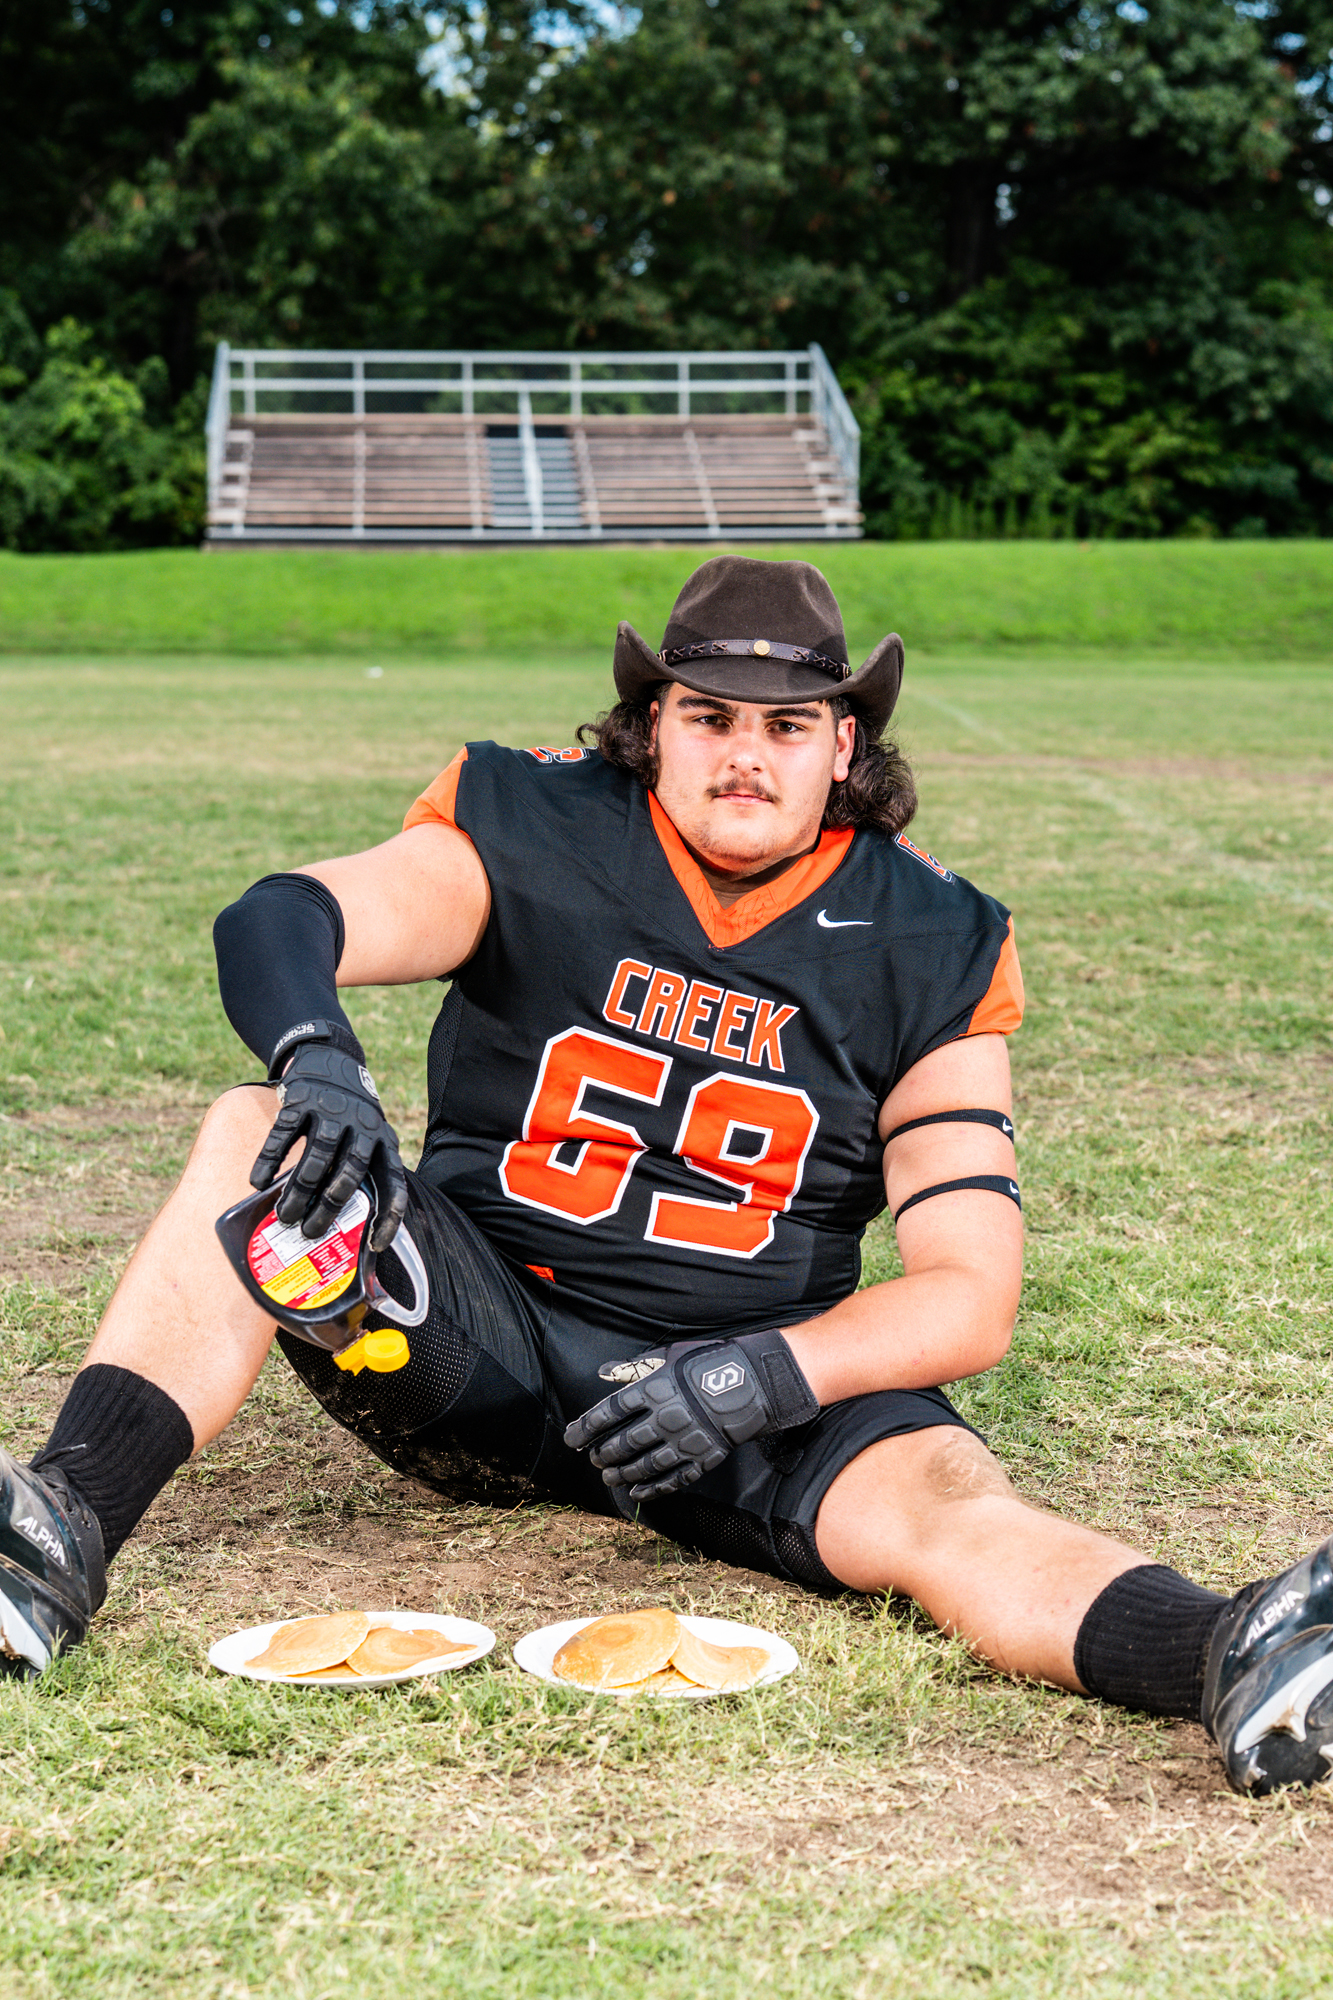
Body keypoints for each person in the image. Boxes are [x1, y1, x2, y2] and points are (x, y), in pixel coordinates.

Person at [1, 556, 1328, 1795]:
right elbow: (286, 912)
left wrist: (761, 1377)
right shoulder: (534, 823)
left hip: (743, 1380)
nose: (746, 753)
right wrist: (318, 1056)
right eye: (710, 716)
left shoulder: (931, 938)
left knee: (946, 1499)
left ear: (843, 746)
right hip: (473, 1338)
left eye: (788, 724)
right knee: (260, 1129)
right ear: (653, 724)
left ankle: (1225, 1656)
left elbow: (969, 1296)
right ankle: (59, 1531)